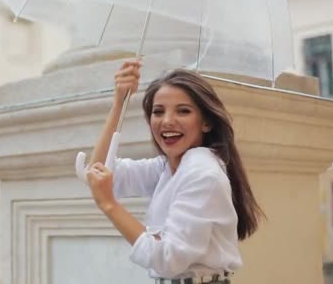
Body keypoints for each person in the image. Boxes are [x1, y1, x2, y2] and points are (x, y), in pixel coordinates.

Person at [85, 60, 265, 283]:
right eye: (158, 112)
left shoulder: (202, 172)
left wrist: (109, 204)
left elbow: (168, 259)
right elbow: (100, 171)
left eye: (183, 111)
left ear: (206, 122)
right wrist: (119, 104)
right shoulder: (169, 167)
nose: (167, 121)